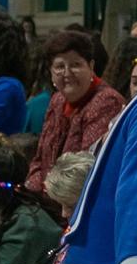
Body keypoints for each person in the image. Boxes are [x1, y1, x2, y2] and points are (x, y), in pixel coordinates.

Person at [29, 29, 122, 194]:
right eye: (59, 67)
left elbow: (84, 169)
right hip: (47, 199)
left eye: (75, 65)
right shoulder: (57, 100)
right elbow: (39, 160)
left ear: (91, 67)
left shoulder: (106, 102)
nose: (67, 73)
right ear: (51, 72)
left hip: (78, 203)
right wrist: (29, 191)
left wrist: (43, 192)